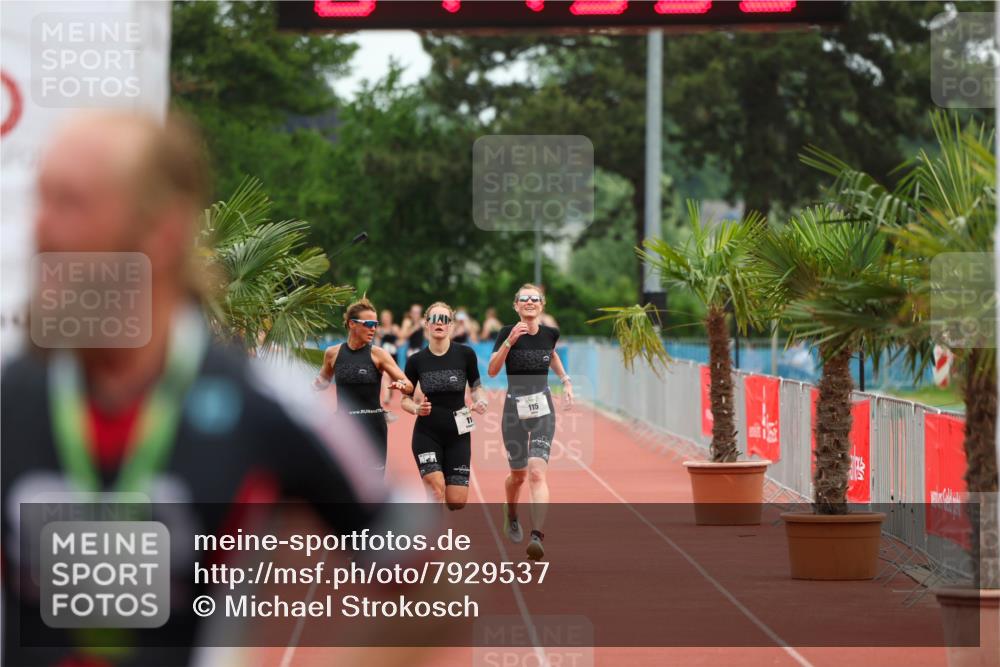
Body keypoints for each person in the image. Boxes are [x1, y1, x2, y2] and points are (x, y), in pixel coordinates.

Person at [0, 111, 406, 667]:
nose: (41, 228)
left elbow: (431, 587)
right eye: (42, 200)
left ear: (162, 231)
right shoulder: (10, 393)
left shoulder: (266, 402)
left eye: (71, 202)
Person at [487, 283, 574, 560]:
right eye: (523, 299)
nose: (529, 302)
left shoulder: (550, 333)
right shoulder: (505, 333)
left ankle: (537, 535)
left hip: (542, 410)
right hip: (513, 410)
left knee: (537, 472)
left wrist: (565, 379)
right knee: (518, 475)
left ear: (542, 304)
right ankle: (511, 512)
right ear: (516, 305)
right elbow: (491, 370)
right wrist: (510, 340)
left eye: (534, 299)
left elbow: (551, 354)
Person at [402, 303, 488, 510]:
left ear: (451, 325)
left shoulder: (466, 355)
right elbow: (404, 400)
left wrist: (480, 399)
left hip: (458, 432)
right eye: (434, 319)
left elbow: (477, 387)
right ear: (426, 324)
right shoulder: (415, 361)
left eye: (444, 319)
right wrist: (416, 409)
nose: (439, 323)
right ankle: (434, 538)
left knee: (456, 501)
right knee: (436, 489)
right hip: (427, 432)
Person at [314, 298, 412, 472]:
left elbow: (408, 384)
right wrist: (313, 385)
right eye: (368, 323)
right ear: (352, 324)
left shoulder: (378, 354)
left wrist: (402, 385)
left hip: (373, 427)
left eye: (375, 324)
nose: (373, 328)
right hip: (345, 427)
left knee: (372, 487)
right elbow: (323, 381)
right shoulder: (332, 353)